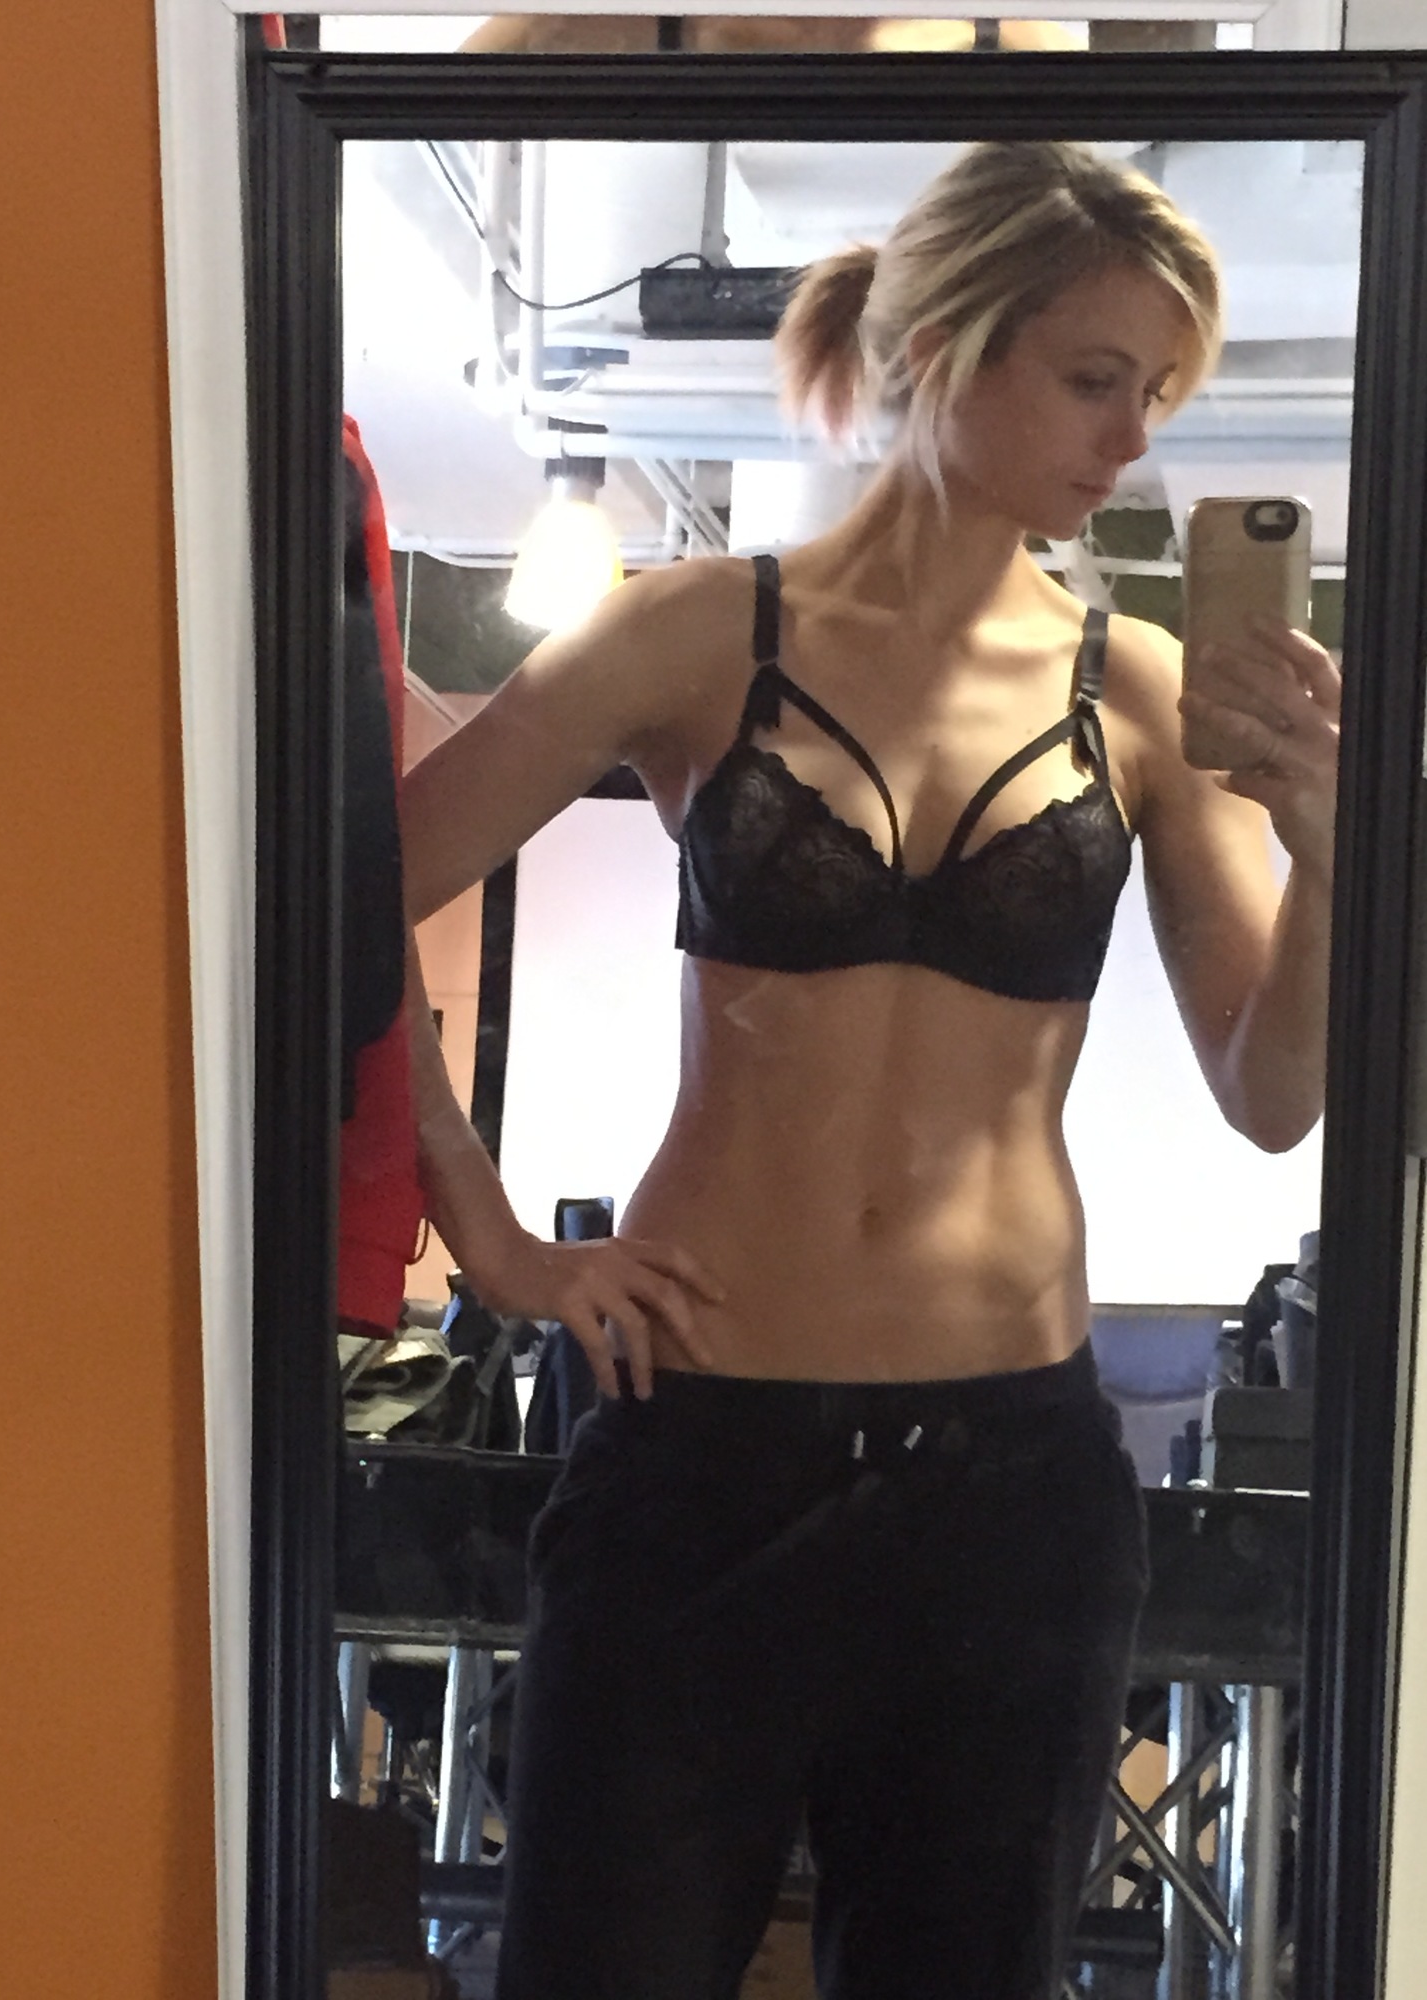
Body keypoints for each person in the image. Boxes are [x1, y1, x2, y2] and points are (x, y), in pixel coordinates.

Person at [396, 141, 1339, 2000]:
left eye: (1156, 392)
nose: (1132, 441)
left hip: (1011, 1485)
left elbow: (1272, 1091)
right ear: (946, 346)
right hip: (698, 1457)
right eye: (1094, 379)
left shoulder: (1136, 688)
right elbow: (338, 897)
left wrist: (1328, 852)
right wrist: (493, 1243)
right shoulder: (693, 633)